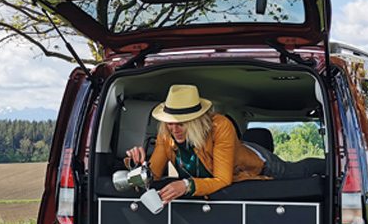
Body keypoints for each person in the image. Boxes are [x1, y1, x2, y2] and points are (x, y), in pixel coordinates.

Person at [126, 84, 321, 204]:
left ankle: (325, 163)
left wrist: (186, 185)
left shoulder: (220, 126)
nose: (174, 129)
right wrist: (138, 167)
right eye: (170, 123)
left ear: (195, 121)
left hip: (257, 163)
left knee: (296, 172)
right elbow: (154, 176)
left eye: (181, 124)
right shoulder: (165, 134)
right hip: (227, 155)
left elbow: (222, 180)